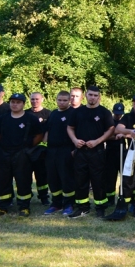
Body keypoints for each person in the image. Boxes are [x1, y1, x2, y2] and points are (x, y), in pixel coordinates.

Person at [66, 86, 115, 218]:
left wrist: (97, 141)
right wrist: (75, 140)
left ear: (99, 97)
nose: (92, 97)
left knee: (98, 180)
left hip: (97, 151)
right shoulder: (77, 112)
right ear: (86, 95)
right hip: (80, 151)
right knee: (80, 180)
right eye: (90, 94)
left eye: (95, 95)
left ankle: (100, 207)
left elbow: (111, 129)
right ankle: (83, 207)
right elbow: (70, 127)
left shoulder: (104, 112)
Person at [0, 93, 43, 217]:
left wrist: (28, 146)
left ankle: (24, 206)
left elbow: (39, 135)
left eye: (18, 102)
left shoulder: (30, 118)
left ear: (23, 104)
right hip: (4, 153)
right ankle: (2, 206)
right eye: (13, 102)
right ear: (9, 103)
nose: (15, 104)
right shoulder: (3, 118)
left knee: (23, 179)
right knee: (3, 179)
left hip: (22, 154)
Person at [43, 91, 77, 215]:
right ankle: (56, 203)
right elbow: (47, 131)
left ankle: (69, 204)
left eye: (64, 100)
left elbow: (78, 131)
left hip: (66, 150)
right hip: (51, 150)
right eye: (59, 100)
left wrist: (75, 149)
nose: (62, 102)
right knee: (52, 178)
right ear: (56, 100)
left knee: (66, 178)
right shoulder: (53, 114)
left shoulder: (73, 113)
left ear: (69, 100)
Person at [28, 92, 51, 206]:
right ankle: (26, 196)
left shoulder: (49, 114)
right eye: (32, 99)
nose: (34, 101)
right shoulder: (25, 113)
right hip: (27, 149)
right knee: (25, 174)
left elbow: (50, 130)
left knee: (42, 175)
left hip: (41, 150)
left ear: (42, 99)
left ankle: (44, 197)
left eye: (37, 99)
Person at [104, 102, 126, 207]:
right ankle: (110, 198)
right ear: (113, 112)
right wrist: (115, 136)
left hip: (122, 151)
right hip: (110, 152)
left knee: (124, 176)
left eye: (120, 113)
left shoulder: (124, 122)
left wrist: (123, 134)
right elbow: (105, 136)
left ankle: (123, 197)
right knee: (110, 177)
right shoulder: (109, 121)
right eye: (117, 113)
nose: (118, 115)